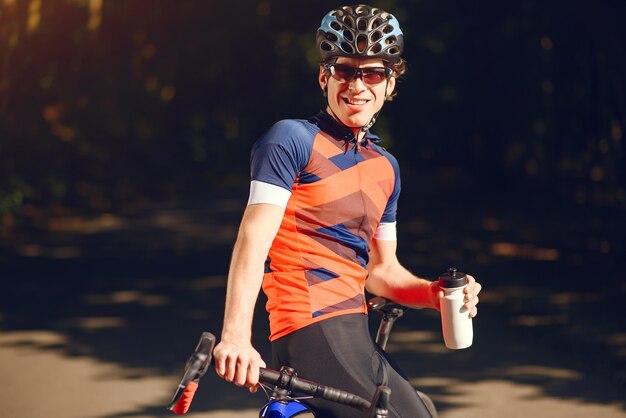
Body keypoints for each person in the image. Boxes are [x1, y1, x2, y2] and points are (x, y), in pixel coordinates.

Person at [213, 4, 482, 417]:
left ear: (390, 84)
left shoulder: (386, 167)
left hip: (356, 334)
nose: (357, 85)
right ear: (325, 77)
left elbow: (380, 271)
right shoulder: (290, 140)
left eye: (372, 73)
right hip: (307, 328)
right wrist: (235, 335)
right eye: (345, 70)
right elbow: (253, 240)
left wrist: (433, 293)